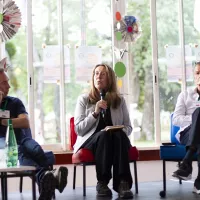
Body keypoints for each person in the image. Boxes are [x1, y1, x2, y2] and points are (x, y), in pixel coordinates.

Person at [0, 67, 68, 200]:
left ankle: (47, 181)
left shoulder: (14, 102)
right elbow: (18, 121)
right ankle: (50, 178)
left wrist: (3, 121)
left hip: (22, 140)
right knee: (19, 150)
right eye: (4, 83)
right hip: (3, 142)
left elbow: (25, 122)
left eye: (8, 81)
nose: (9, 85)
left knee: (35, 148)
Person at [74, 64, 133, 199]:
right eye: (96, 74)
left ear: (110, 78)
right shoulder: (84, 99)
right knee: (104, 135)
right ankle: (102, 183)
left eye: (102, 74)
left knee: (117, 134)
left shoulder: (119, 101)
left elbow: (129, 127)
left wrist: (119, 130)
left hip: (117, 139)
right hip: (91, 141)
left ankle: (122, 183)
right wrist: (95, 113)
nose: (98, 77)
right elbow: (79, 130)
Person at [172, 61, 200, 194]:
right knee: (199, 112)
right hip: (187, 134)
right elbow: (176, 119)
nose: (199, 76)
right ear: (194, 76)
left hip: (195, 140)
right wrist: (195, 120)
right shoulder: (185, 95)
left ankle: (186, 164)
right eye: (197, 73)